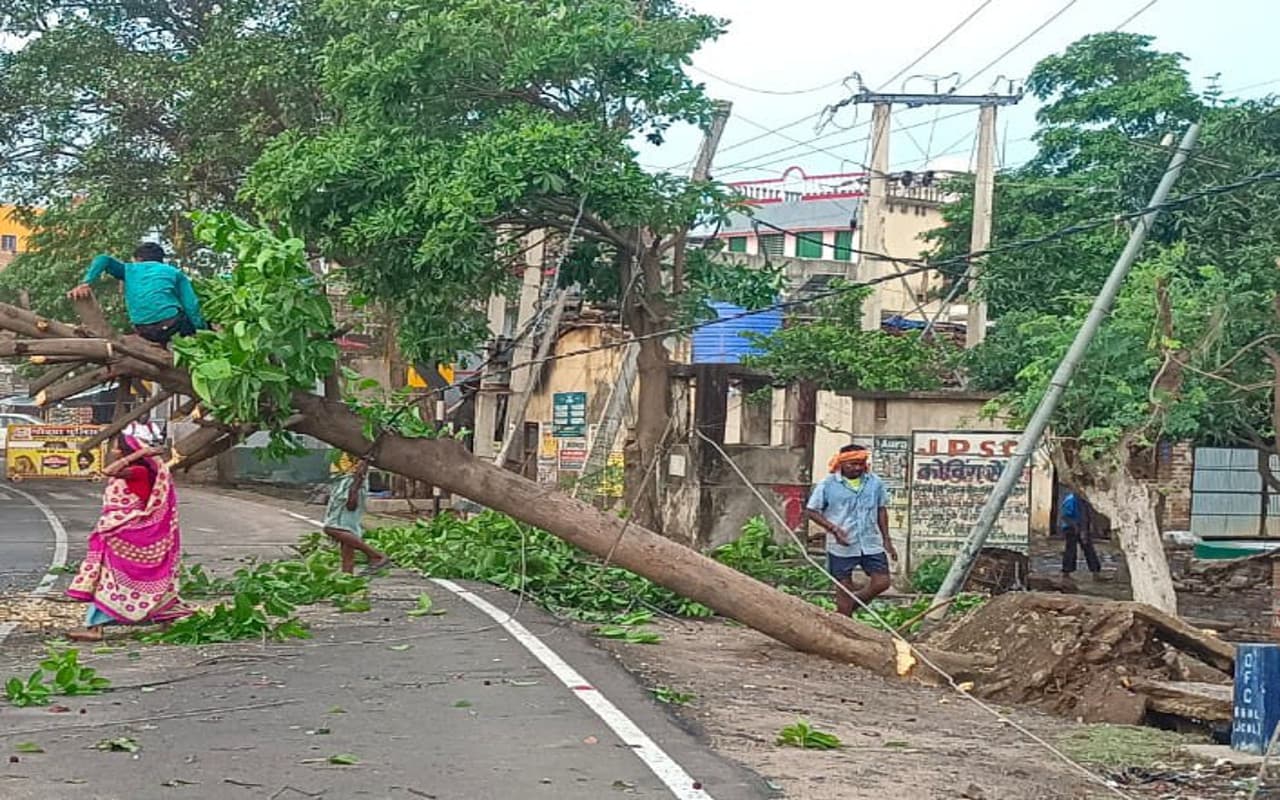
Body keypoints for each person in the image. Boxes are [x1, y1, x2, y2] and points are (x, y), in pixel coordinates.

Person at [65, 435, 192, 641]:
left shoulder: (137, 471)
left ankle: (95, 628)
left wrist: (140, 454)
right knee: (139, 578)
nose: (113, 452)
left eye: (116, 449)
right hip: (122, 529)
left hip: (124, 530)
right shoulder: (134, 472)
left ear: (126, 452)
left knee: (110, 579)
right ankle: (168, 619)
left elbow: (108, 470)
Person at [806, 444, 896, 616]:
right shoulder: (828, 484)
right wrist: (833, 529)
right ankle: (845, 620)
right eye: (852, 464)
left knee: (882, 582)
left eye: (860, 463)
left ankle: (850, 606)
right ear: (841, 464)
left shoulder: (875, 482)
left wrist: (887, 539)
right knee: (843, 586)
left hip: (870, 541)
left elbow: (881, 509)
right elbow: (811, 510)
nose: (857, 468)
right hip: (842, 544)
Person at [67, 243, 207, 346]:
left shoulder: (129, 269)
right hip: (171, 325)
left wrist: (86, 283)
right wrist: (203, 330)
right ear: (160, 260)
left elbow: (103, 259)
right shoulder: (173, 272)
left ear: (137, 259)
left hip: (143, 329)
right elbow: (192, 306)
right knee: (190, 320)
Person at [324, 453, 390, 575]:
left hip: (350, 483)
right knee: (347, 532)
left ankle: (376, 556)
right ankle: (346, 575)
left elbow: (364, 461)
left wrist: (353, 491)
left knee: (331, 528)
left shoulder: (352, 441)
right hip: (347, 482)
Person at [1060, 488, 1102, 580]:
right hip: (1071, 528)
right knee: (1071, 550)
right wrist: (1076, 528)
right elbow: (1065, 516)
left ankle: (1096, 572)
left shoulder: (1083, 500)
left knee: (1089, 549)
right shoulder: (1071, 500)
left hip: (1082, 526)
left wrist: (1087, 528)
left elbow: (1087, 515)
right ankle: (1066, 573)